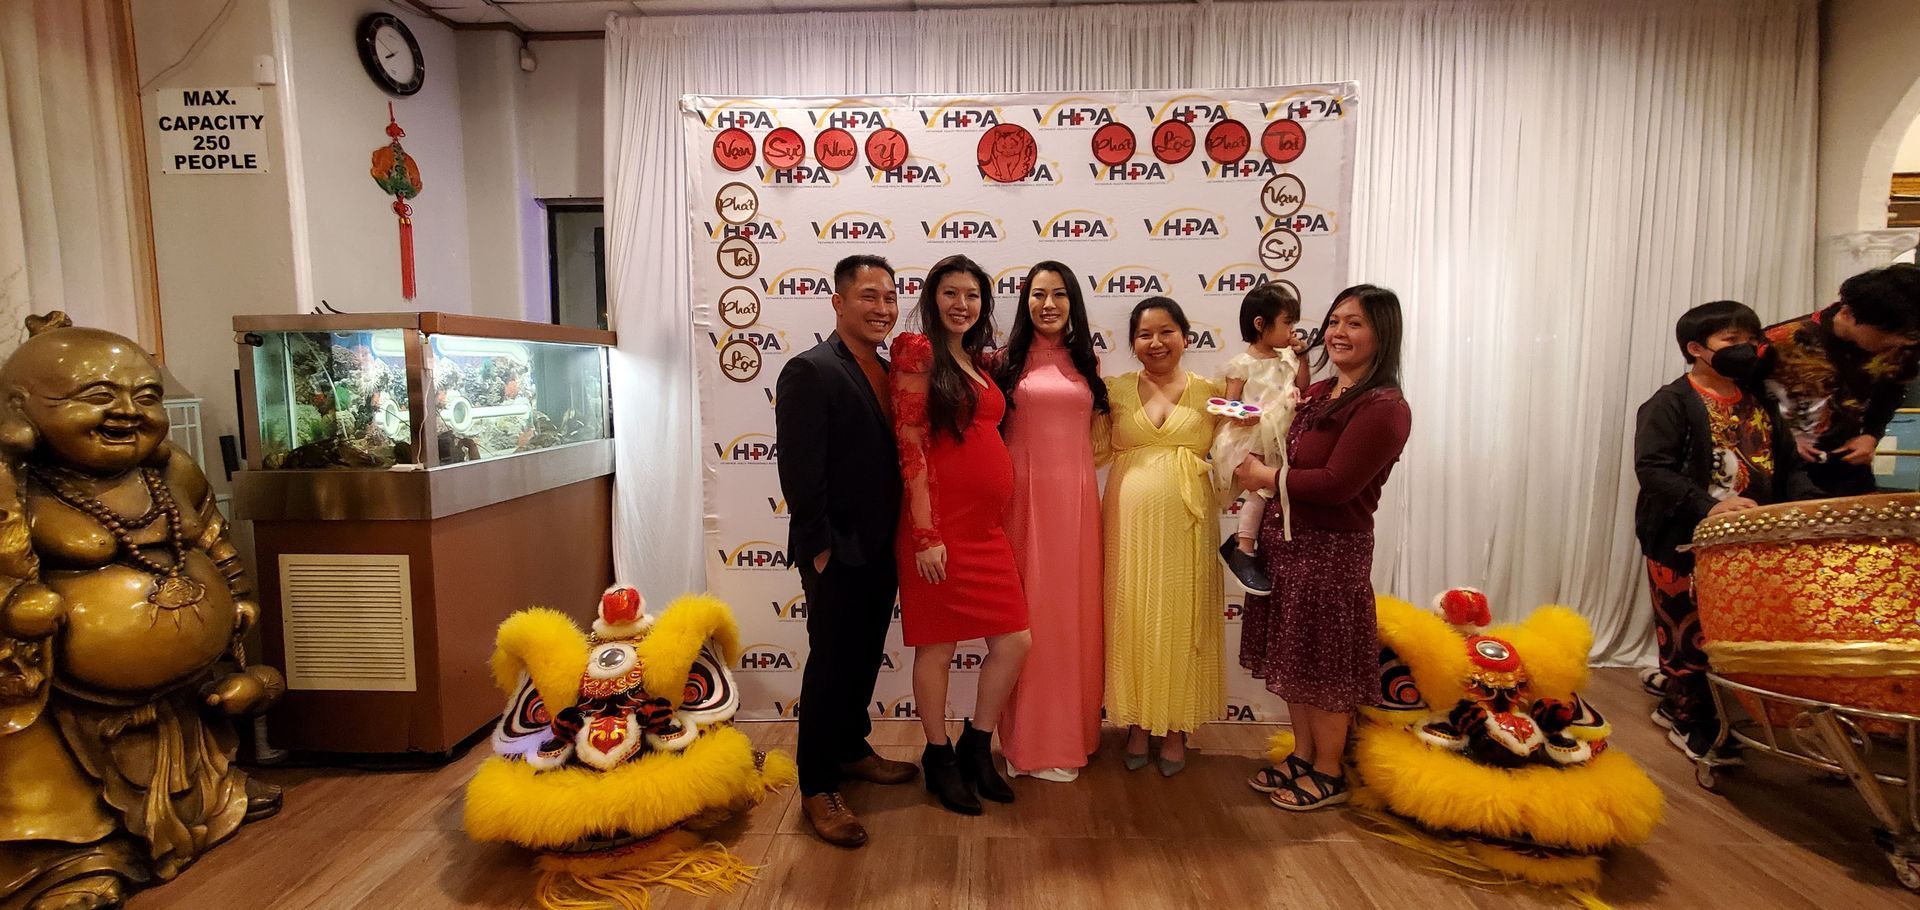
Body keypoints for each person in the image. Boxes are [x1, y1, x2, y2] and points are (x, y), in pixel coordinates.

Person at [1234, 285, 1412, 811]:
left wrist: (1266, 474)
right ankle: (1303, 754)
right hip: (1284, 547)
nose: (1338, 332)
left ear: (1383, 334)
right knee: (1294, 660)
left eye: (1354, 323)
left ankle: (1329, 770)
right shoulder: (1316, 393)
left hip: (1332, 553)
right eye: (1334, 321)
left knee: (1326, 665)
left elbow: (1338, 484)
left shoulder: (1384, 408)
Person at [1633, 300, 1822, 761]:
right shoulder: (1670, 402)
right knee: (1685, 631)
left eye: (1750, 339)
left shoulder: (1761, 401)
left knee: (1732, 632)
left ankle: (1719, 708)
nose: (1746, 349)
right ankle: (1687, 718)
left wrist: (1806, 506)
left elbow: (1787, 464)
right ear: (1696, 349)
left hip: (1750, 541)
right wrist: (1710, 505)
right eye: (1730, 341)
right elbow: (1653, 470)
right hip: (1680, 538)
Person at [774, 254, 918, 849]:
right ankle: (817, 784)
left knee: (862, 658)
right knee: (832, 663)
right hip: (836, 549)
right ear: (837, 301)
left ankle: (852, 747)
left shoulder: (888, 370)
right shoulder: (810, 370)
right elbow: (799, 472)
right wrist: (821, 550)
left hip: (884, 545)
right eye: (868, 296)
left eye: (889, 297)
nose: (882, 308)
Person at [892, 254, 1032, 816]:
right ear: (933, 298)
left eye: (972, 295)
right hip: (939, 528)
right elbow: (911, 448)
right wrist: (926, 534)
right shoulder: (917, 353)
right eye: (951, 293)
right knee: (938, 648)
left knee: (1014, 641)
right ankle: (938, 755)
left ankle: (979, 745)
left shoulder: (978, 361)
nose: (962, 305)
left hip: (986, 531)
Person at [990, 261, 1107, 783]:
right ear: (1025, 302)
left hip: (1076, 511)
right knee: (1027, 625)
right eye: (1038, 295)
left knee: (1071, 620)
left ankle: (1071, 736)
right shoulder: (1002, 363)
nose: (1048, 304)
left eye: (1059, 294)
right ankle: (1024, 743)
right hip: (1020, 505)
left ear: (1073, 302)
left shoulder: (1089, 362)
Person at [1101, 296, 1225, 778]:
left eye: (1166, 331)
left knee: (1181, 620)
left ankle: (1175, 728)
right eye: (1145, 334)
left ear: (1185, 336)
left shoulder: (1212, 392)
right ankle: (1134, 722)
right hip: (1127, 528)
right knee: (1131, 616)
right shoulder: (1113, 391)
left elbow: (1254, 434)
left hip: (1187, 530)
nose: (1156, 342)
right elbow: (1085, 445)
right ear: (1133, 343)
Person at [1761, 264, 1920, 495]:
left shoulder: (1901, 343)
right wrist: (1783, 439)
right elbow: (1741, 402)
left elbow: (1891, 391)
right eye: (1890, 334)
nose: (1898, 343)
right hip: (1782, 470)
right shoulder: (1783, 341)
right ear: (1848, 314)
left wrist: (1871, 434)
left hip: (1848, 465)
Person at [1212, 283, 1311, 595]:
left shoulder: (1286, 357)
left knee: (1276, 491)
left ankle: (1248, 546)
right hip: (1249, 437)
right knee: (1264, 488)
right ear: (1260, 324)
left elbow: (1302, 386)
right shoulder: (1241, 364)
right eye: (1286, 323)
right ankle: (1243, 548)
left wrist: (1303, 358)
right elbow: (1228, 405)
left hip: (1280, 436)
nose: (1291, 331)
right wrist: (1244, 414)